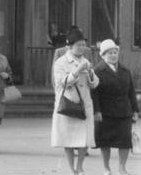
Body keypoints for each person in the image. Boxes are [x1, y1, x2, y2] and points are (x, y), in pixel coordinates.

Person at [51, 27, 99, 175]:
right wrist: (77, 71)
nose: (81, 48)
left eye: (83, 45)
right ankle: (72, 169)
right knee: (69, 139)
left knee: (85, 139)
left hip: (84, 105)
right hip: (68, 104)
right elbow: (61, 82)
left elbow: (95, 83)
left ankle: (80, 166)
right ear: (69, 46)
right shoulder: (61, 62)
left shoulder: (86, 61)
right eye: (78, 45)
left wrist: (90, 73)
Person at [92, 39, 139, 175]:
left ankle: (122, 168)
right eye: (109, 53)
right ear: (103, 55)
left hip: (124, 111)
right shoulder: (97, 71)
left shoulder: (125, 71)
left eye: (115, 52)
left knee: (124, 141)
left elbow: (131, 91)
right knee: (104, 142)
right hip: (105, 113)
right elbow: (94, 94)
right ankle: (106, 168)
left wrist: (135, 110)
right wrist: (97, 111)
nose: (113, 55)